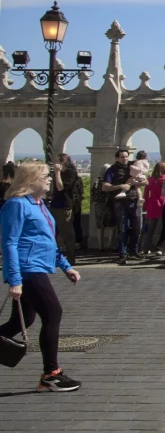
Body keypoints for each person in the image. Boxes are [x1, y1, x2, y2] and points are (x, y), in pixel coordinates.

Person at [0, 160, 83, 392]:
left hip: (37, 266)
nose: (49, 178)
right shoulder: (16, 205)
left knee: (21, 321)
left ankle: (50, 375)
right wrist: (15, 280)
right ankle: (51, 374)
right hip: (27, 269)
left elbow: (48, 241)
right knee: (53, 312)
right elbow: (9, 242)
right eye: (45, 175)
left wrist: (66, 267)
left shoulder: (40, 205)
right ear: (31, 179)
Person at [102, 149, 146, 266]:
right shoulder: (112, 170)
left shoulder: (133, 166)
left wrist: (136, 182)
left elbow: (146, 181)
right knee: (122, 228)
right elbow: (105, 186)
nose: (125, 159)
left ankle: (133, 250)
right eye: (122, 157)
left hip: (133, 200)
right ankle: (122, 253)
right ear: (117, 158)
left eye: (126, 156)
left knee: (137, 227)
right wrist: (120, 186)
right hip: (120, 201)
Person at [47, 154, 83, 265]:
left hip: (64, 205)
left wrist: (57, 173)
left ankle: (71, 258)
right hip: (55, 204)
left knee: (67, 233)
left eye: (58, 161)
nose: (56, 164)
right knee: (53, 232)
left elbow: (61, 187)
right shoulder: (58, 173)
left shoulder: (70, 173)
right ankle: (55, 257)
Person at [138, 162, 165, 257]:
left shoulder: (150, 180)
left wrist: (145, 206)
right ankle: (163, 248)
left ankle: (145, 248)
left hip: (153, 205)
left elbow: (146, 195)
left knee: (150, 229)